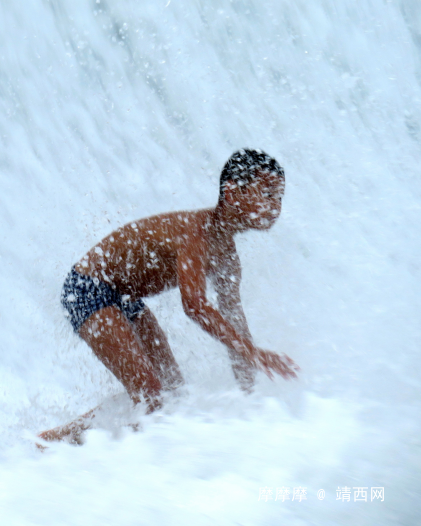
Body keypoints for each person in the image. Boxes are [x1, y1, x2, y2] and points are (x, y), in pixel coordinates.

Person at [38, 149, 299, 444]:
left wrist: (252, 402)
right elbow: (195, 306)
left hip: (125, 298)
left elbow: (234, 323)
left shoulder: (228, 258)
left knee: (172, 392)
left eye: (279, 197)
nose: (275, 206)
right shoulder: (196, 234)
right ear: (231, 193)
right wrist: (251, 351)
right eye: (266, 193)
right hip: (88, 288)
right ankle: (86, 454)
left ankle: (59, 441)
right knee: (150, 395)